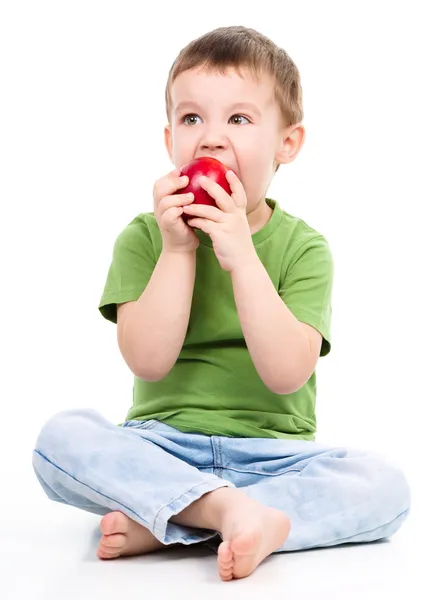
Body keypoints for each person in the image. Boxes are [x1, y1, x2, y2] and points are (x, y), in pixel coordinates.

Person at [32, 25, 411, 582]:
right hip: (160, 449)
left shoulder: (304, 249)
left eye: (238, 119)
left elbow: (286, 373)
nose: (210, 138)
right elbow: (147, 360)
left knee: (386, 486)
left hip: (272, 459)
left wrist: (242, 255)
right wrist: (179, 250)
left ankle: (174, 518)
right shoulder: (144, 238)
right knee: (58, 440)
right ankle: (221, 512)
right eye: (192, 119)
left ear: (288, 143)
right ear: (169, 142)